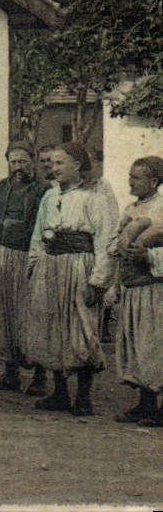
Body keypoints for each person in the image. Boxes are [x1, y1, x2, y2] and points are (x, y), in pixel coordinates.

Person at [23, 143, 119, 417]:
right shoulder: (49, 196)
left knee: (82, 330)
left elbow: (106, 241)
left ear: (77, 166)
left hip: (80, 268)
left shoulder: (94, 198)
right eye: (51, 163)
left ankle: (84, 397)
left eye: (59, 163)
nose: (53, 169)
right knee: (53, 328)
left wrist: (98, 281)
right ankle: (60, 393)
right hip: (50, 267)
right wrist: (34, 266)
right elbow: (38, 235)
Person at [0, 141, 50, 395]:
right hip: (1, 255)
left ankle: (40, 376)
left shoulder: (44, 191)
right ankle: (10, 373)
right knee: (3, 314)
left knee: (31, 316)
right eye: (13, 162)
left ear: (34, 160)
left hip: (28, 257)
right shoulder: (0, 188)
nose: (18, 167)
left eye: (23, 162)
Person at [108, 155, 163, 426]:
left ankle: (159, 408)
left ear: (154, 181)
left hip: (154, 288)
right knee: (137, 345)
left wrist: (149, 256)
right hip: (132, 286)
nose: (131, 181)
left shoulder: (162, 207)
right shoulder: (131, 208)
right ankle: (146, 404)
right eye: (130, 176)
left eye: (137, 177)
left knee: (154, 345)